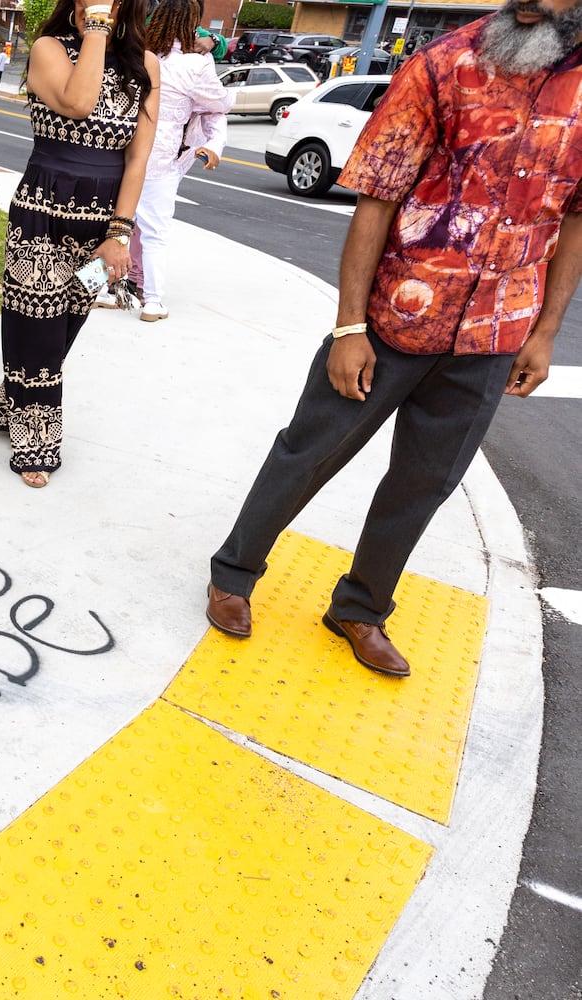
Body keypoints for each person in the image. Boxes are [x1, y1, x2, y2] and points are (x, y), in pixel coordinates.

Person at [205, 0, 582, 677]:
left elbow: (575, 220)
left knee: (425, 481)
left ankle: (361, 608)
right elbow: (375, 196)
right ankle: (233, 573)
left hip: (495, 332)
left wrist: (545, 331)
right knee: (309, 451)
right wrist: (351, 326)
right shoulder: (444, 64)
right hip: (396, 320)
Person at [0, 0, 160, 488]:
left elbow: (138, 160)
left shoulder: (146, 66)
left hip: (103, 233)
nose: (93, 8)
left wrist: (120, 234)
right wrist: (97, 29)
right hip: (41, 217)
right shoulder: (48, 49)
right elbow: (79, 103)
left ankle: (7, 406)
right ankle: (35, 443)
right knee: (35, 327)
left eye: (107, 2)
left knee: (60, 333)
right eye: (86, 1)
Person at [127, 0, 231, 322]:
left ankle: (100, 289)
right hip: (161, 159)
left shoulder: (136, 53)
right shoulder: (196, 65)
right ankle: (153, 302)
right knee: (155, 232)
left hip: (123, 152)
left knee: (115, 225)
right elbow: (220, 102)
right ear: (193, 25)